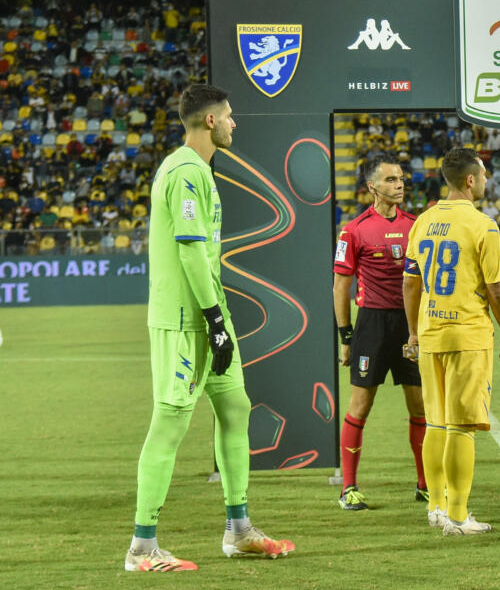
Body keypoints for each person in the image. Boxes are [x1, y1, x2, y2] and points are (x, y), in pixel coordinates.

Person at [125, 84, 294, 572]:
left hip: (209, 315)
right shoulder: (184, 171)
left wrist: (218, 318)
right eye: (230, 116)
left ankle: (239, 530)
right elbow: (190, 251)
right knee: (171, 422)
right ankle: (141, 548)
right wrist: (214, 320)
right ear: (211, 122)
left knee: (235, 405)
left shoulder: (199, 169)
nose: (236, 123)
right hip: (187, 320)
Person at [402, 147, 500, 536]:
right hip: (467, 334)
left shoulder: (422, 222)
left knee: (435, 422)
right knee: (461, 427)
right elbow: (497, 289)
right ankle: (458, 515)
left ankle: (435, 507)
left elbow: (410, 282)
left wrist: (415, 331)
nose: (485, 181)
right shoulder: (482, 225)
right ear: (470, 180)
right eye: (483, 175)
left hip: (431, 332)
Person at [333, 154, 427, 510]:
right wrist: (346, 335)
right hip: (371, 325)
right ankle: (349, 487)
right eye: (390, 180)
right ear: (372, 186)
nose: (399, 184)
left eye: (401, 178)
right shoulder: (354, 229)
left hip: (410, 325)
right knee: (361, 405)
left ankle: (424, 484)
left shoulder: (416, 226)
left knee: (419, 405)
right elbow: (341, 286)